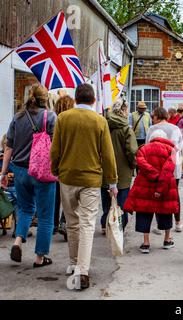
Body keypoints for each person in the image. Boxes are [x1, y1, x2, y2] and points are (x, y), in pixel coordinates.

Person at [51, 83, 118, 290]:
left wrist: (55, 170)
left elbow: (56, 149)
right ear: (94, 100)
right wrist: (112, 181)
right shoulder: (99, 121)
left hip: (67, 177)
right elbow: (107, 154)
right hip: (90, 180)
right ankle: (82, 269)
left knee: (72, 223)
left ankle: (73, 263)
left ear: (76, 99)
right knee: (87, 223)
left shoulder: (63, 118)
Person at [1, 84, 57, 268]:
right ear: (45, 99)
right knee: (45, 216)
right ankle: (39, 258)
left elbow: (8, 146)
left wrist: (3, 172)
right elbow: (56, 146)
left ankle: (17, 241)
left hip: (19, 170)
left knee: (25, 209)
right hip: (42, 171)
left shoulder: (17, 118)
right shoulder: (50, 117)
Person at [124, 129, 178, 253]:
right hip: (165, 186)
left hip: (145, 185)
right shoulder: (171, 150)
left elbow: (141, 163)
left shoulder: (143, 149)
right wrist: (160, 184)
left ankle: (146, 243)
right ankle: (167, 240)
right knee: (166, 210)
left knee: (144, 211)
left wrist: (153, 174)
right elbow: (167, 170)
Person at [100, 99, 138, 234]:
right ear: (123, 110)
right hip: (122, 171)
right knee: (121, 201)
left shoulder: (103, 125)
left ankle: (105, 224)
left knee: (106, 198)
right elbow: (132, 151)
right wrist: (134, 164)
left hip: (104, 169)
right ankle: (119, 226)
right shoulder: (126, 128)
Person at [146, 108, 183, 233]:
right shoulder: (175, 129)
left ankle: (159, 225)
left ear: (157, 116)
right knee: (174, 195)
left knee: (157, 194)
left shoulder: (152, 129)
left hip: (156, 167)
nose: (152, 119)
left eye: (153, 116)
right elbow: (181, 148)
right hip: (173, 167)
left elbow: (147, 148)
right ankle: (178, 223)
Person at [53, 95, 76, 240]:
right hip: (69, 163)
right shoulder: (71, 122)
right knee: (69, 196)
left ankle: (54, 224)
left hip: (57, 163)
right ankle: (64, 221)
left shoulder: (53, 120)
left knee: (56, 195)